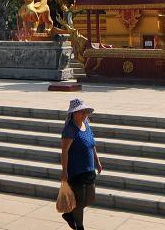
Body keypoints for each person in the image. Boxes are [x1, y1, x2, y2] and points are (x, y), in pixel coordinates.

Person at [60, 98, 102, 230]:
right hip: (76, 170)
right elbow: (65, 151)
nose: (84, 114)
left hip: (89, 168)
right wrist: (64, 170)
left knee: (90, 198)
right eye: (81, 112)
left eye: (85, 112)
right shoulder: (70, 129)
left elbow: (92, 145)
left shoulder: (87, 125)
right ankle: (80, 226)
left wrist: (98, 161)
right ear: (73, 113)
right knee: (80, 200)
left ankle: (70, 214)